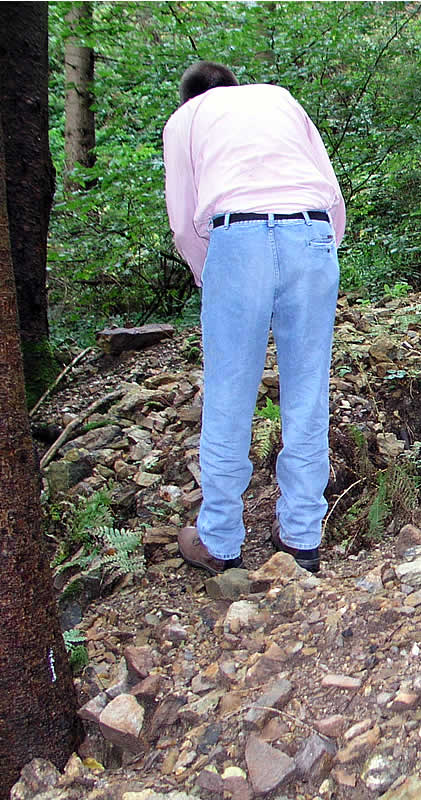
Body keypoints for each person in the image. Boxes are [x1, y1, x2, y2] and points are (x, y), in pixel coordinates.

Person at [163, 61, 345, 574]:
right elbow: (332, 198)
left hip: (236, 237)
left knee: (228, 394)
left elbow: (183, 223)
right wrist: (314, 255)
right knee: (308, 391)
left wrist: (211, 275)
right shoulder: (279, 98)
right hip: (310, 232)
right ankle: (302, 540)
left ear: (189, 97)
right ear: (233, 88)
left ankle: (220, 542)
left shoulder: (184, 121)